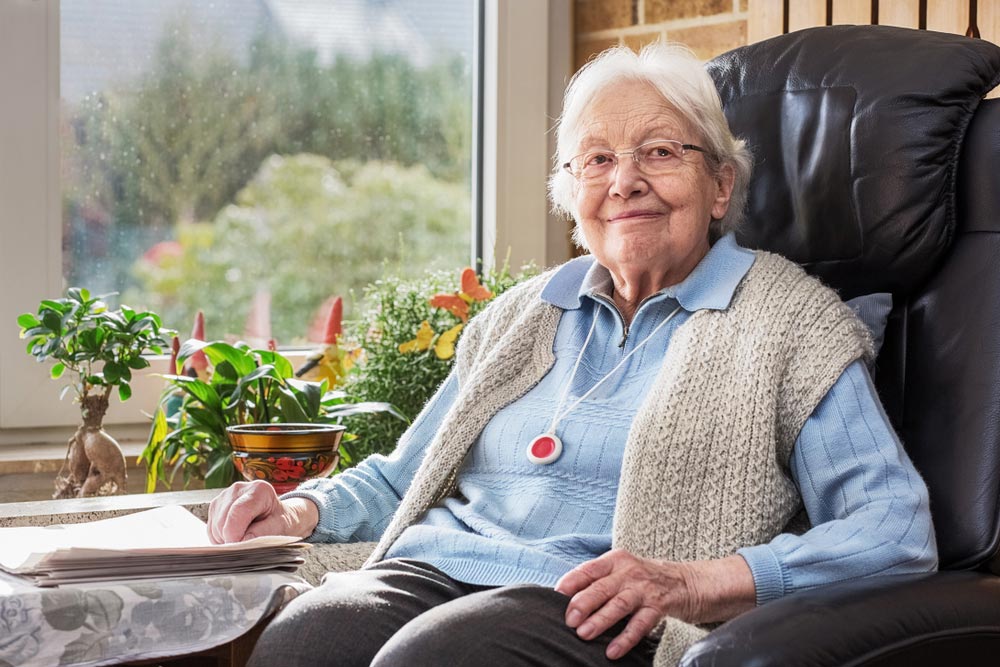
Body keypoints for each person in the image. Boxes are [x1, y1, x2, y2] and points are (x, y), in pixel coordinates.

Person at [208, 43, 937, 667]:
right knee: (298, 640)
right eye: (596, 159)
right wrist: (300, 509)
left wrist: (694, 581)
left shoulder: (790, 322)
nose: (625, 180)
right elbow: (405, 479)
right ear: (571, 193)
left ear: (720, 186)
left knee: (432, 658)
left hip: (582, 600)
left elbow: (894, 531)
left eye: (659, 151)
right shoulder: (520, 316)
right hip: (436, 566)